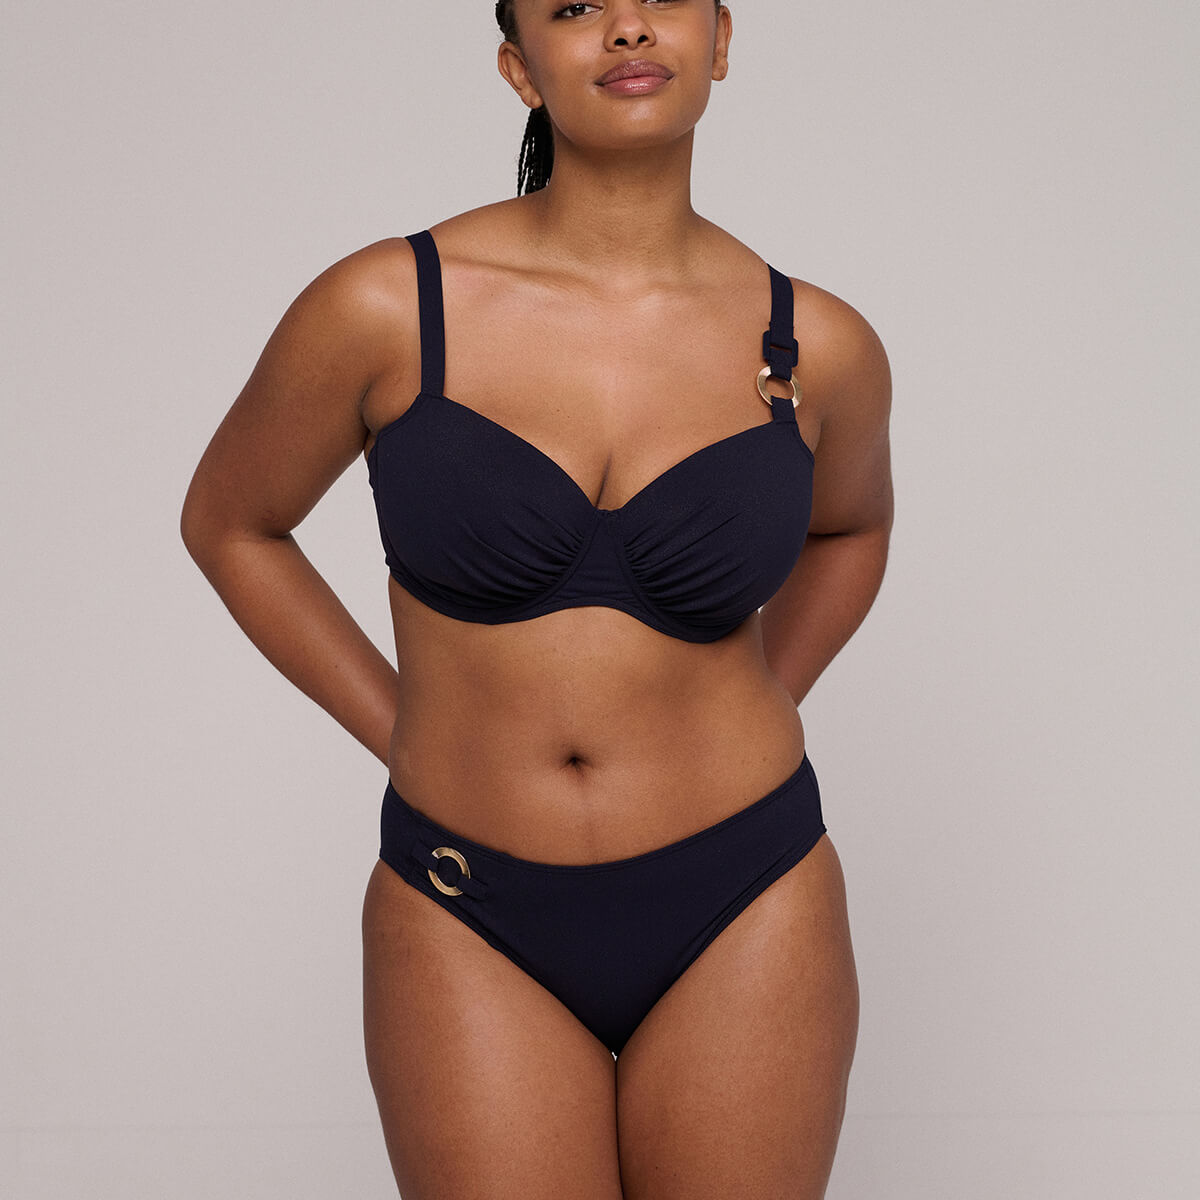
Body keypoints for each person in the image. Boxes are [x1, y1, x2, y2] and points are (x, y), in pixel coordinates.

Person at [180, 1, 893, 1195]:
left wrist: (770, 692)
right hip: (467, 899)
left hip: (748, 891)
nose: (626, 29)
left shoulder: (815, 344)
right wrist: (401, 729)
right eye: (574, 7)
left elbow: (854, 526)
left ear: (720, 41)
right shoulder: (387, 305)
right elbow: (232, 522)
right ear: (520, 68)